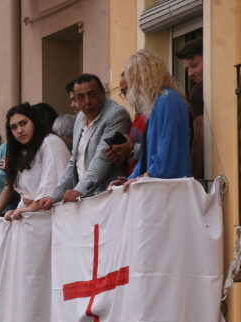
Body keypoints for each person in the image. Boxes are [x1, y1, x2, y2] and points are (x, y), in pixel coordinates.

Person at [42, 74, 131, 208]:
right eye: (81, 97)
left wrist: (79, 191)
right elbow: (74, 161)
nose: (87, 101)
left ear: (103, 93)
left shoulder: (116, 114)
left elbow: (102, 159)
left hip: (108, 199)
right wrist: (54, 196)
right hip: (84, 200)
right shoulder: (80, 117)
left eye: (92, 94)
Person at [120, 49, 190, 181]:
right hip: (159, 187)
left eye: (131, 83)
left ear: (141, 79)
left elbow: (166, 157)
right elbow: (146, 156)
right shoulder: (158, 103)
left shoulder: (167, 101)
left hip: (167, 189)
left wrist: (142, 178)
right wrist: (131, 179)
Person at [3, 103, 71, 220]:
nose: (19, 130)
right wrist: (16, 211)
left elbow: (51, 186)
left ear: (34, 121)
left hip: (55, 219)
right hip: (34, 220)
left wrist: (29, 208)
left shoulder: (50, 142)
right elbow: (26, 194)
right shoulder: (28, 153)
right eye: (14, 127)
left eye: (23, 123)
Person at [176, 39, 203, 178]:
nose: (190, 74)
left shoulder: (197, 92)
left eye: (194, 65)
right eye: (187, 69)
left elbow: (199, 140)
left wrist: (195, 177)